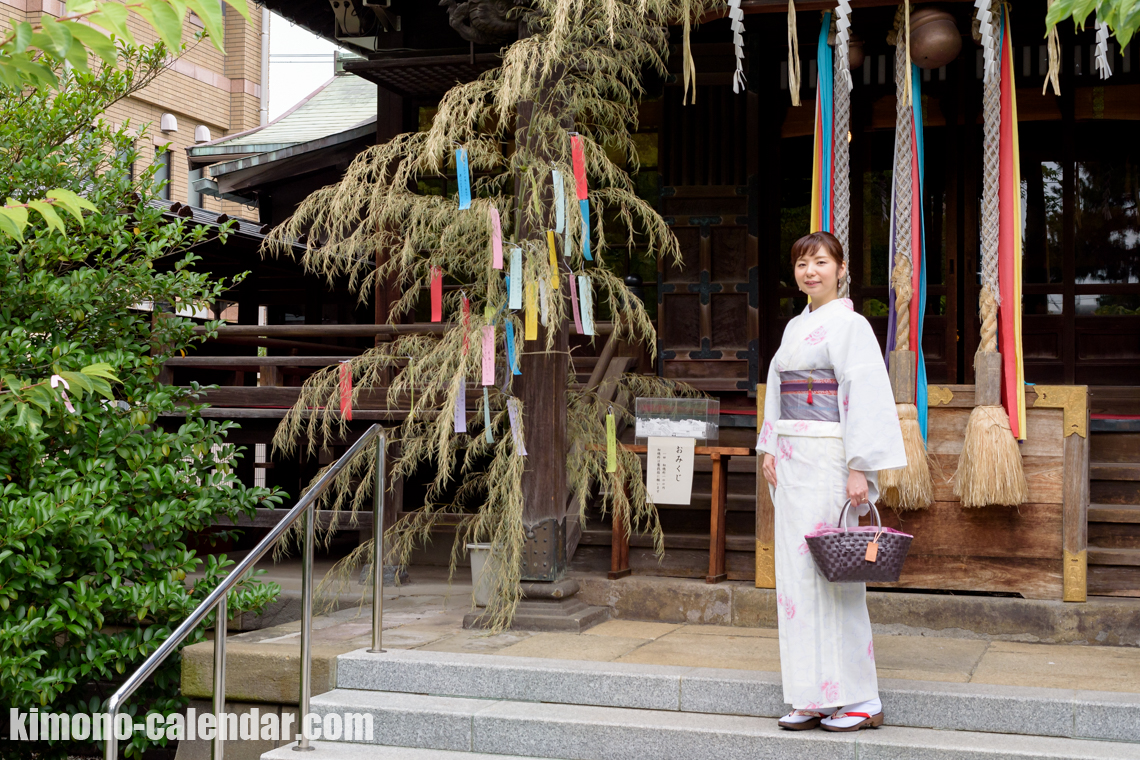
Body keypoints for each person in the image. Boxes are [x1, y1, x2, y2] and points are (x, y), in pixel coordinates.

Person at [757, 231, 906, 732]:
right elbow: (778, 392)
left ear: (842, 269)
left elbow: (863, 393)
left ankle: (860, 698)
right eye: (802, 263)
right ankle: (811, 695)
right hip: (795, 463)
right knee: (797, 579)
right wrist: (770, 446)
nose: (810, 271)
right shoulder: (795, 328)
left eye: (821, 262)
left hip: (830, 460)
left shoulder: (852, 325)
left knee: (835, 575)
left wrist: (860, 466)